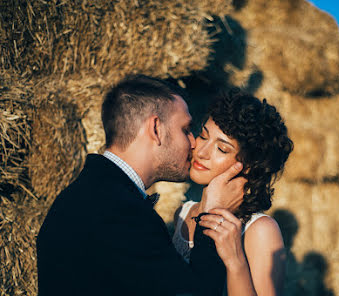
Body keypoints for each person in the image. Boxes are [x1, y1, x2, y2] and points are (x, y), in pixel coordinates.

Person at [36, 75, 251, 296]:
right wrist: (211, 214)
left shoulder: (89, 194)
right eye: (185, 129)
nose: (194, 143)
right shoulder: (121, 212)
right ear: (156, 129)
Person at [173, 91, 294, 295]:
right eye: (203, 136)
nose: (201, 152)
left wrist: (235, 261)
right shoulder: (182, 214)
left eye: (222, 149)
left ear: (248, 166)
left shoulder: (260, 230)